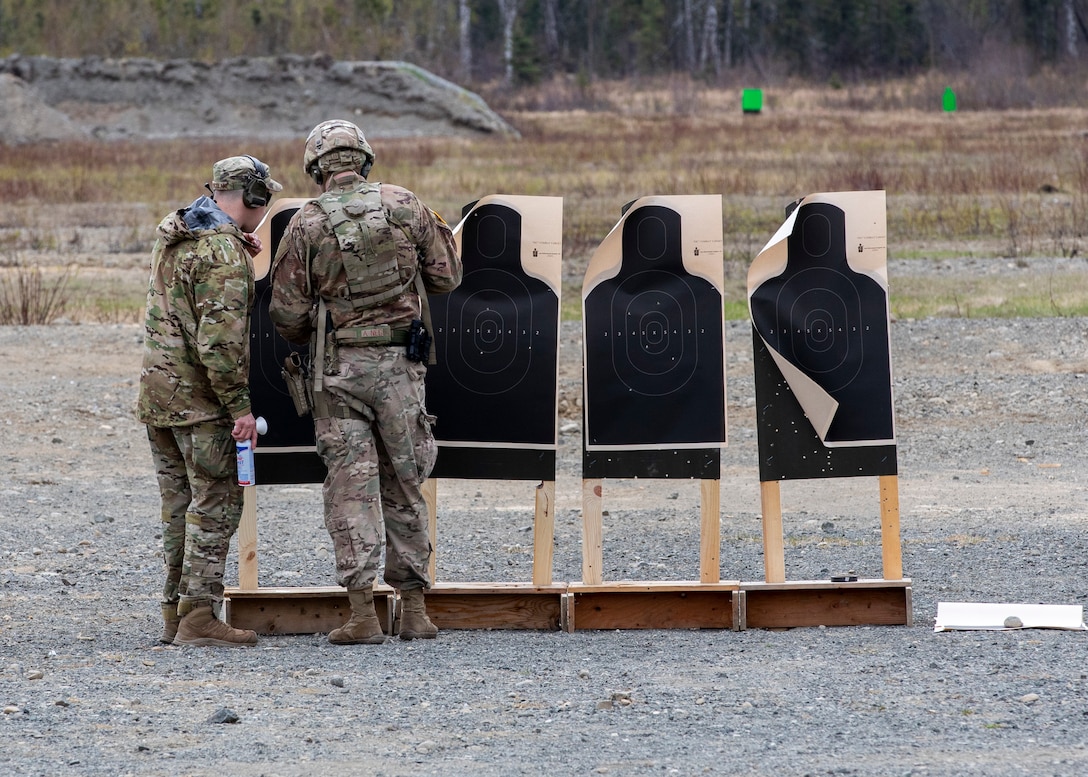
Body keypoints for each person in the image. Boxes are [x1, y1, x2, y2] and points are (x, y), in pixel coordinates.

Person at [269, 119, 461, 644]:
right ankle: (416, 611)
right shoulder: (405, 203)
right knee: (405, 482)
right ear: (365, 159)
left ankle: (362, 616)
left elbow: (286, 314)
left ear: (315, 168)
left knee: (350, 489)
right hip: (402, 368)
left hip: (338, 374)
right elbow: (447, 276)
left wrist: (333, 317)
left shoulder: (306, 224)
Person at [137, 155, 283, 647]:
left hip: (160, 397)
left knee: (179, 507)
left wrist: (237, 246)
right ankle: (200, 616)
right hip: (201, 403)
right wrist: (240, 409)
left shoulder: (178, 234)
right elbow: (219, 344)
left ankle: (175, 615)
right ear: (254, 198)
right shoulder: (221, 252)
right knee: (216, 504)